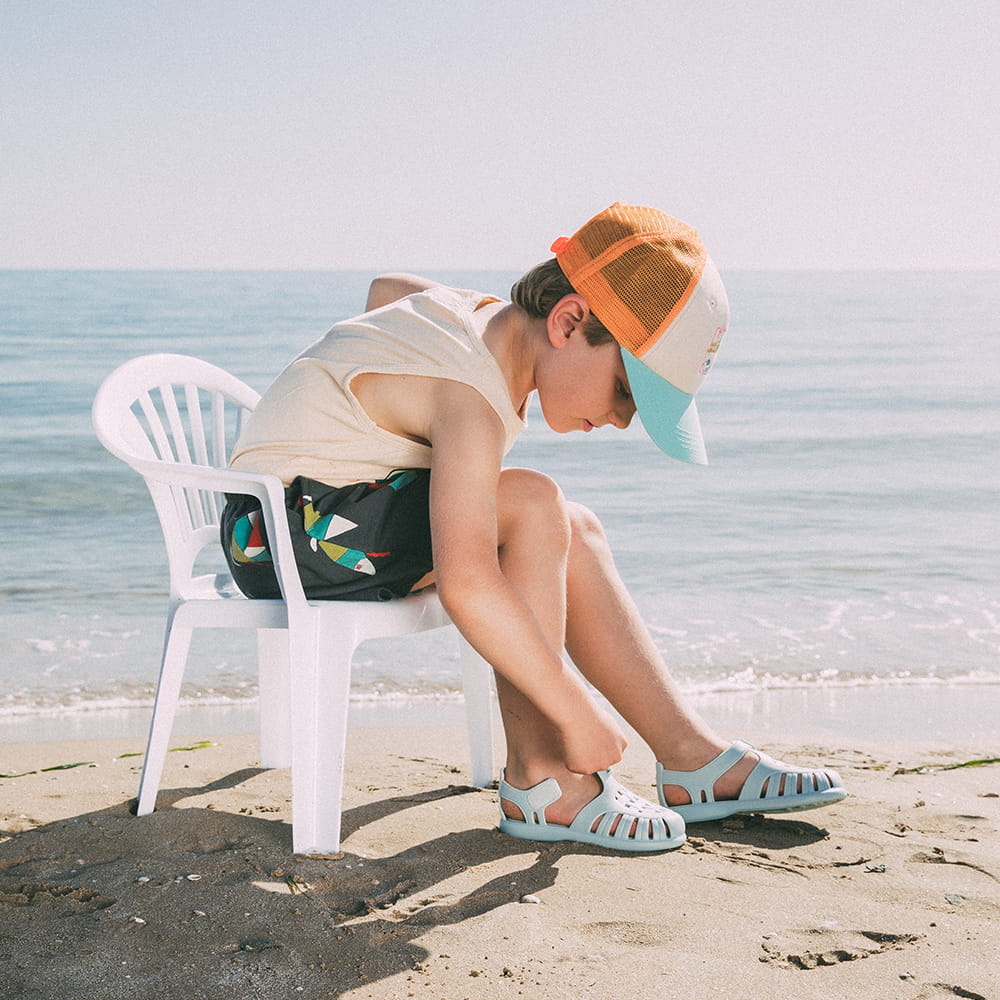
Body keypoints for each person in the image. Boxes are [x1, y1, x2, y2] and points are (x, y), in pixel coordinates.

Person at [222, 202, 846, 853]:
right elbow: (468, 584)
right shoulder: (467, 395)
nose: (623, 420)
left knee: (577, 527)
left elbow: (386, 288)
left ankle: (691, 758)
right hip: (284, 541)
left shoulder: (478, 322)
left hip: (299, 522)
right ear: (568, 320)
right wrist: (577, 713)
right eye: (626, 391)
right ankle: (542, 777)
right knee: (531, 504)